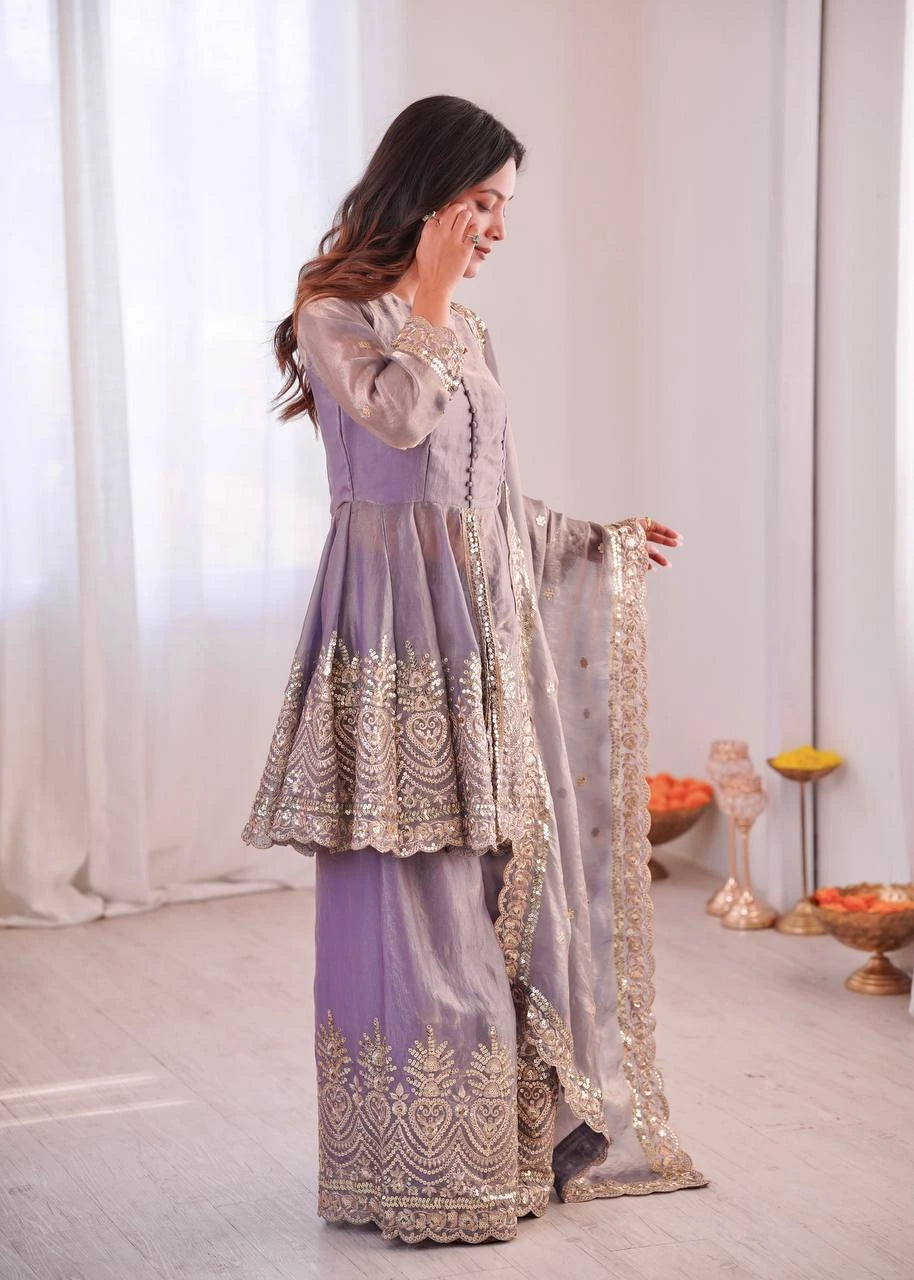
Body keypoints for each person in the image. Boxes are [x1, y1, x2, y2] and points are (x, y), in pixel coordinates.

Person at [241, 94, 709, 1245]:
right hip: (390, 640)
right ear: (429, 190)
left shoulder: (466, 328)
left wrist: (601, 540)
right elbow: (397, 425)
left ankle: (497, 1152)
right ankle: (411, 1170)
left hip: (478, 643)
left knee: (491, 886)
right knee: (410, 899)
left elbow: (484, 496)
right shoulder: (333, 311)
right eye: (480, 203)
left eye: (503, 208)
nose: (495, 227)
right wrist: (431, 299)